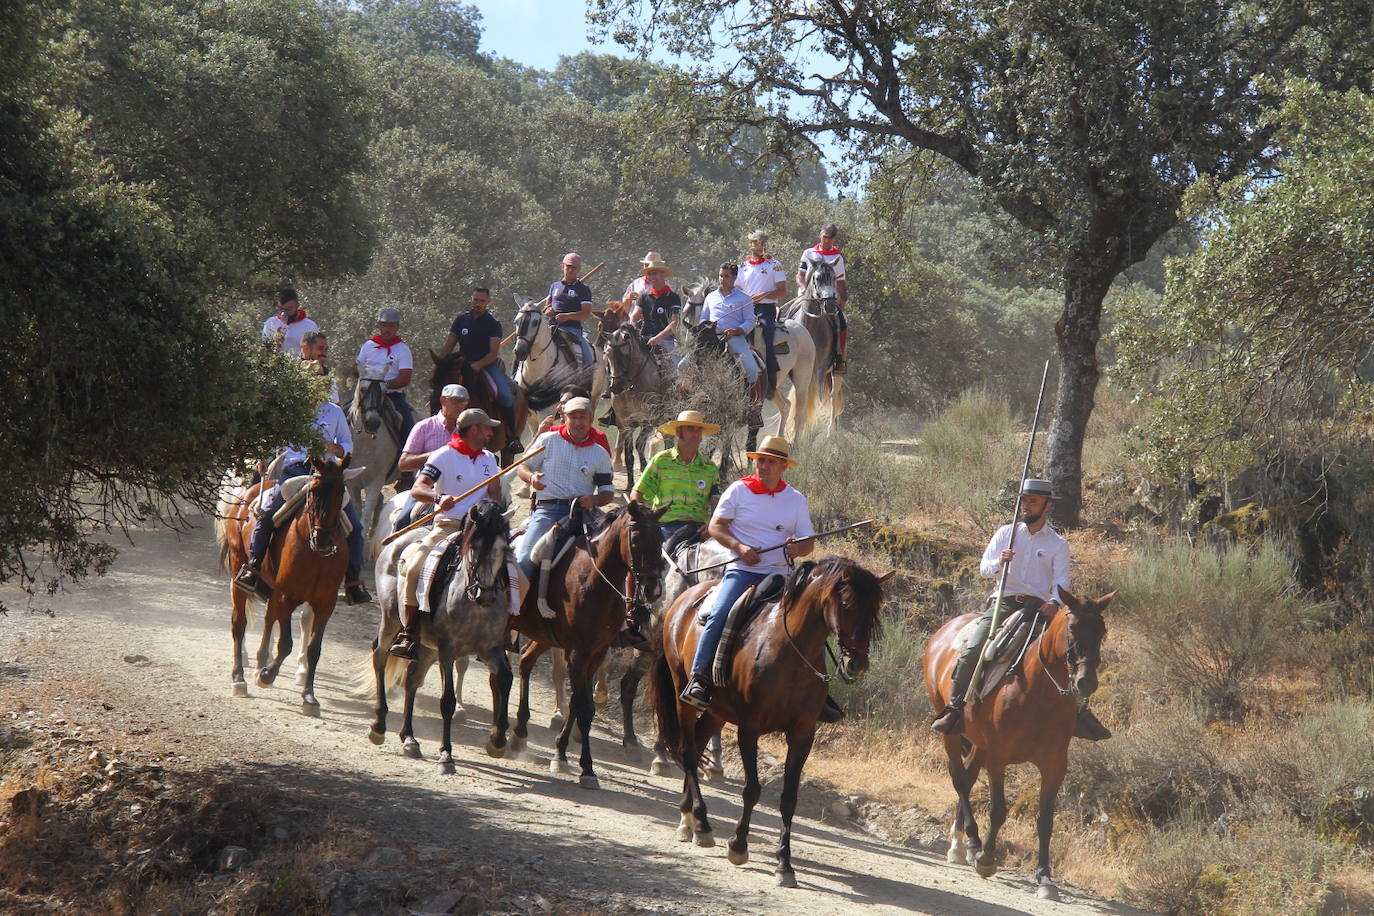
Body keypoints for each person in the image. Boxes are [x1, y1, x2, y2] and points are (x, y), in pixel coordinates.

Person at [930, 479, 1111, 740]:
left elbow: (1061, 581)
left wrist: (1055, 604)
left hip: (1041, 607)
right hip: (1004, 602)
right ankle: (955, 708)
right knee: (976, 645)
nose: (1026, 506)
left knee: (1073, 649)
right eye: (1024, 500)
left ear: (1047, 506)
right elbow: (983, 569)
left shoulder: (1058, 544)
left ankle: (1079, 714)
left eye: (1033, 501)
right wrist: (999, 561)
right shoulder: (1006, 533)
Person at [680, 436, 814, 710]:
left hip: (782, 574)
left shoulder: (796, 500)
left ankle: (817, 688)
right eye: (760, 460)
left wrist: (797, 549)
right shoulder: (738, 490)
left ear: (783, 466)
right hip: (743, 571)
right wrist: (739, 548)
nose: (762, 466)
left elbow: (808, 543)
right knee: (719, 612)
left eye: (770, 461)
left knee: (813, 620)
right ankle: (699, 677)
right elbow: (716, 527)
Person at [511, 398, 645, 642]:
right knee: (523, 559)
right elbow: (523, 467)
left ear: (591, 419)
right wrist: (532, 479)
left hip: (585, 513)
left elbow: (607, 491)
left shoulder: (599, 452)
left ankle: (622, 623)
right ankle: (511, 618)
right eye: (573, 417)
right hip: (548, 510)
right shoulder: (547, 440)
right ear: (565, 417)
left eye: (583, 417)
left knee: (618, 554)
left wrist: (594, 501)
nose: (578, 421)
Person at [233, 385, 371, 606]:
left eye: (325, 383)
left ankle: (353, 582)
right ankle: (253, 567)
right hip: (294, 471)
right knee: (267, 516)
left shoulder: (334, 412)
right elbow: (272, 439)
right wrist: (264, 457)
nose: (322, 388)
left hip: (326, 475)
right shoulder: (291, 409)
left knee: (355, 527)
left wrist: (335, 449)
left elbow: (347, 444)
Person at [388, 408, 506, 659]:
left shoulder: (488, 459)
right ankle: (409, 632)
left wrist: (492, 511)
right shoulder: (443, 456)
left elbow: (494, 493)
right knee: (415, 565)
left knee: (515, 570)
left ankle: (505, 631)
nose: (490, 432)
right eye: (486, 428)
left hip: (480, 531)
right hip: (448, 526)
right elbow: (418, 489)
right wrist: (438, 498)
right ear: (474, 429)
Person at [437, 286, 522, 451]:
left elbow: (493, 353)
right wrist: (440, 364)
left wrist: (477, 366)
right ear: (471, 299)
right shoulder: (461, 320)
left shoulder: (493, 324)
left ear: (488, 301)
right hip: (462, 364)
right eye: (475, 300)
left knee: (504, 394)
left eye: (482, 301)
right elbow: (448, 346)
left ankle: (512, 437)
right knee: (440, 391)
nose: (478, 303)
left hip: (486, 365)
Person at [631, 410, 720, 551]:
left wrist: (711, 523)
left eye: (699, 430)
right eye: (691, 429)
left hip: (698, 530)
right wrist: (645, 519)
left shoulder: (710, 467)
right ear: (678, 432)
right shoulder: (661, 461)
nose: (696, 433)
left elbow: (716, 501)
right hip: (664, 527)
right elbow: (637, 494)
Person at [390, 383, 470, 535]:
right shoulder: (424, 427)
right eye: (455, 401)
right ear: (443, 400)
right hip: (427, 489)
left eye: (464, 402)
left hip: (462, 489)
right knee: (403, 520)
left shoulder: (469, 431)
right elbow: (404, 463)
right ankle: (392, 553)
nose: (460, 406)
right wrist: (436, 455)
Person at [356, 306, 418, 471]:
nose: (387, 329)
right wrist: (367, 377)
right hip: (366, 394)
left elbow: (405, 378)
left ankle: (405, 468)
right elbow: (356, 368)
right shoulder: (368, 346)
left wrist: (383, 385)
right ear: (379, 325)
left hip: (392, 396)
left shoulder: (402, 350)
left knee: (408, 422)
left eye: (391, 326)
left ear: (397, 327)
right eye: (384, 325)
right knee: (345, 413)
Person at [691, 262, 761, 405]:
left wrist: (736, 330)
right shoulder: (710, 297)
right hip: (711, 338)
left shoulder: (744, 298)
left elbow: (750, 321)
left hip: (734, 339)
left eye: (726, 276)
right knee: (683, 365)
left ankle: (755, 407)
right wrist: (706, 327)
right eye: (720, 276)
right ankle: (688, 401)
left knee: (752, 369)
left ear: (734, 277)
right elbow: (704, 318)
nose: (722, 279)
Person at [796, 223, 849, 373]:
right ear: (820, 235)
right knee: (783, 317)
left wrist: (842, 302)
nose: (826, 241)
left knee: (842, 323)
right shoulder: (808, 253)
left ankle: (839, 359)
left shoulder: (837, 257)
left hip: (827, 299)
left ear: (834, 239)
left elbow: (840, 283)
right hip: (806, 298)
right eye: (824, 237)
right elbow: (800, 275)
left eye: (830, 239)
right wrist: (802, 288)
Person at [739, 231, 787, 396]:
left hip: (766, 309)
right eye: (756, 243)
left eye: (762, 243)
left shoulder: (774, 264)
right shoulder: (742, 267)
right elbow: (737, 288)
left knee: (767, 335)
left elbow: (782, 291)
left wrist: (764, 295)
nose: (759, 246)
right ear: (750, 244)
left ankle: (771, 379)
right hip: (745, 308)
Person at [545, 252, 595, 365]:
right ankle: (516, 376)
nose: (571, 270)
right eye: (568, 266)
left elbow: (586, 313)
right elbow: (547, 308)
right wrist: (549, 311)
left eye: (574, 267)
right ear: (563, 267)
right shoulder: (554, 286)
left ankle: (587, 376)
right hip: (551, 327)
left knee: (586, 356)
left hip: (572, 330)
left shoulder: (583, 289)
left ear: (579, 270)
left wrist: (567, 316)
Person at [626, 256, 682, 356]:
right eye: (650, 274)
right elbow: (634, 316)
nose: (652, 277)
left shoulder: (673, 297)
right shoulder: (644, 297)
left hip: (666, 340)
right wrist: (633, 329)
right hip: (645, 338)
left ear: (663, 275)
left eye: (655, 273)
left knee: (676, 366)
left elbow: (675, 322)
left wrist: (658, 338)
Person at [261, 288, 319, 356]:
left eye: (289, 309)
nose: (284, 313)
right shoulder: (271, 323)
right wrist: (275, 342)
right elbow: (265, 350)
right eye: (281, 309)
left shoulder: (310, 326)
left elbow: (315, 352)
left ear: (297, 305)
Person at [299, 331, 338, 404]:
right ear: (305, 348)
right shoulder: (293, 371)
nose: (324, 353)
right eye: (320, 348)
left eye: (326, 349)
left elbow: (336, 405)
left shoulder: (328, 375)